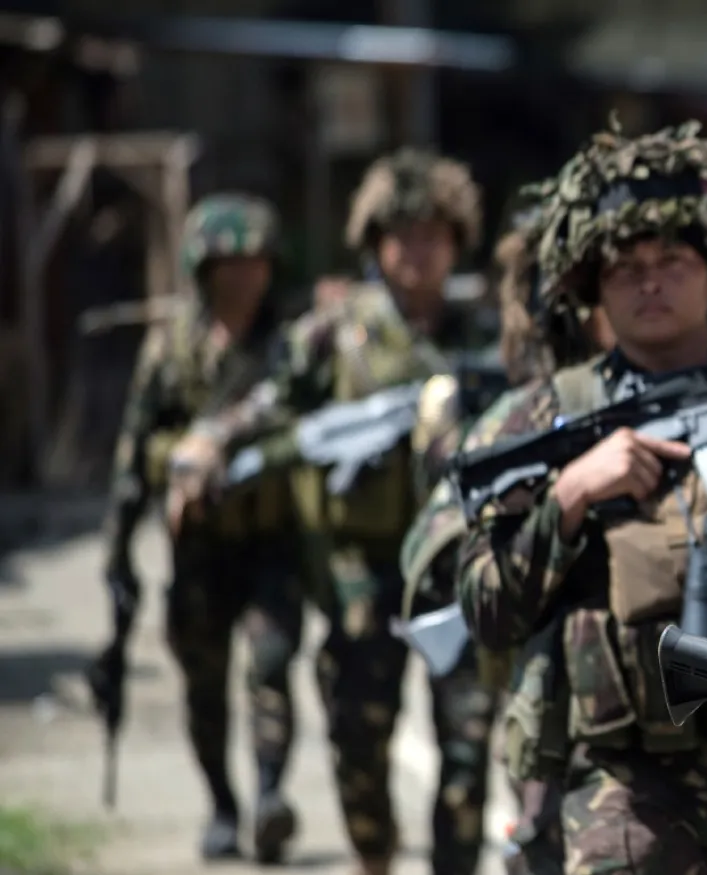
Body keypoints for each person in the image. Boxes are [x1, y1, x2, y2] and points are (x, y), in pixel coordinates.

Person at [454, 119, 707, 875]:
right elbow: (485, 610)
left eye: (672, 259)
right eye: (626, 266)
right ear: (594, 285)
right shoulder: (539, 421)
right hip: (616, 778)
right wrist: (569, 494)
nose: (651, 280)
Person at [168, 149, 492, 875]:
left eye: (433, 234)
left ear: (456, 241)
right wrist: (210, 440)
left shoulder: (484, 336)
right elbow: (272, 398)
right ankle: (374, 857)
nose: (417, 249)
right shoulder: (340, 329)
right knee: (358, 741)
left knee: (468, 745)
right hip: (362, 573)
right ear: (376, 241)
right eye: (401, 233)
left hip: (457, 566)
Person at [400, 203, 616, 875]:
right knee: (479, 778)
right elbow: (438, 533)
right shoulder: (512, 406)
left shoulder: (611, 387)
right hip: (505, 626)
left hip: (591, 663)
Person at [102, 193, 304, 862]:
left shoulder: (289, 346)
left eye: (255, 262)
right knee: (204, 683)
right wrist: (119, 554)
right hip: (199, 550)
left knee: (272, 666)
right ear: (204, 269)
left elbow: (306, 420)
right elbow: (136, 452)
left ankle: (271, 795)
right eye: (230, 263)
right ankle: (222, 802)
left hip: (271, 541)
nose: (245, 276)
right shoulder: (172, 349)